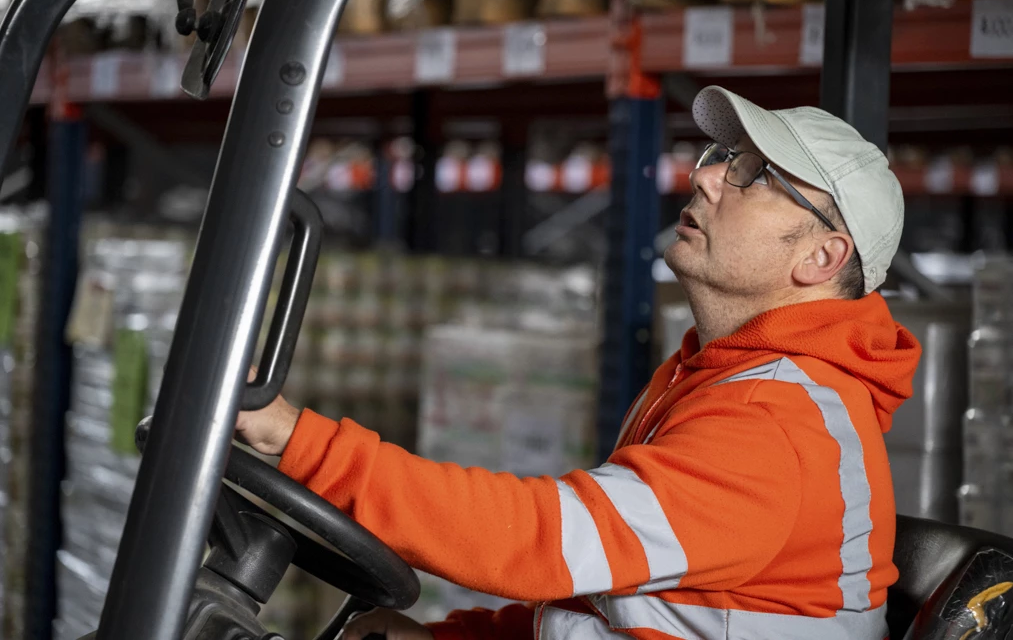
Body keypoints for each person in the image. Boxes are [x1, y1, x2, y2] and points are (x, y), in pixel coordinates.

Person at [237, 86, 921, 640]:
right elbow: (618, 601)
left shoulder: (774, 423)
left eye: (755, 175)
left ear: (820, 257)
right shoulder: (718, 378)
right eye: (724, 156)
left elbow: (545, 542)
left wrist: (297, 440)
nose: (706, 176)